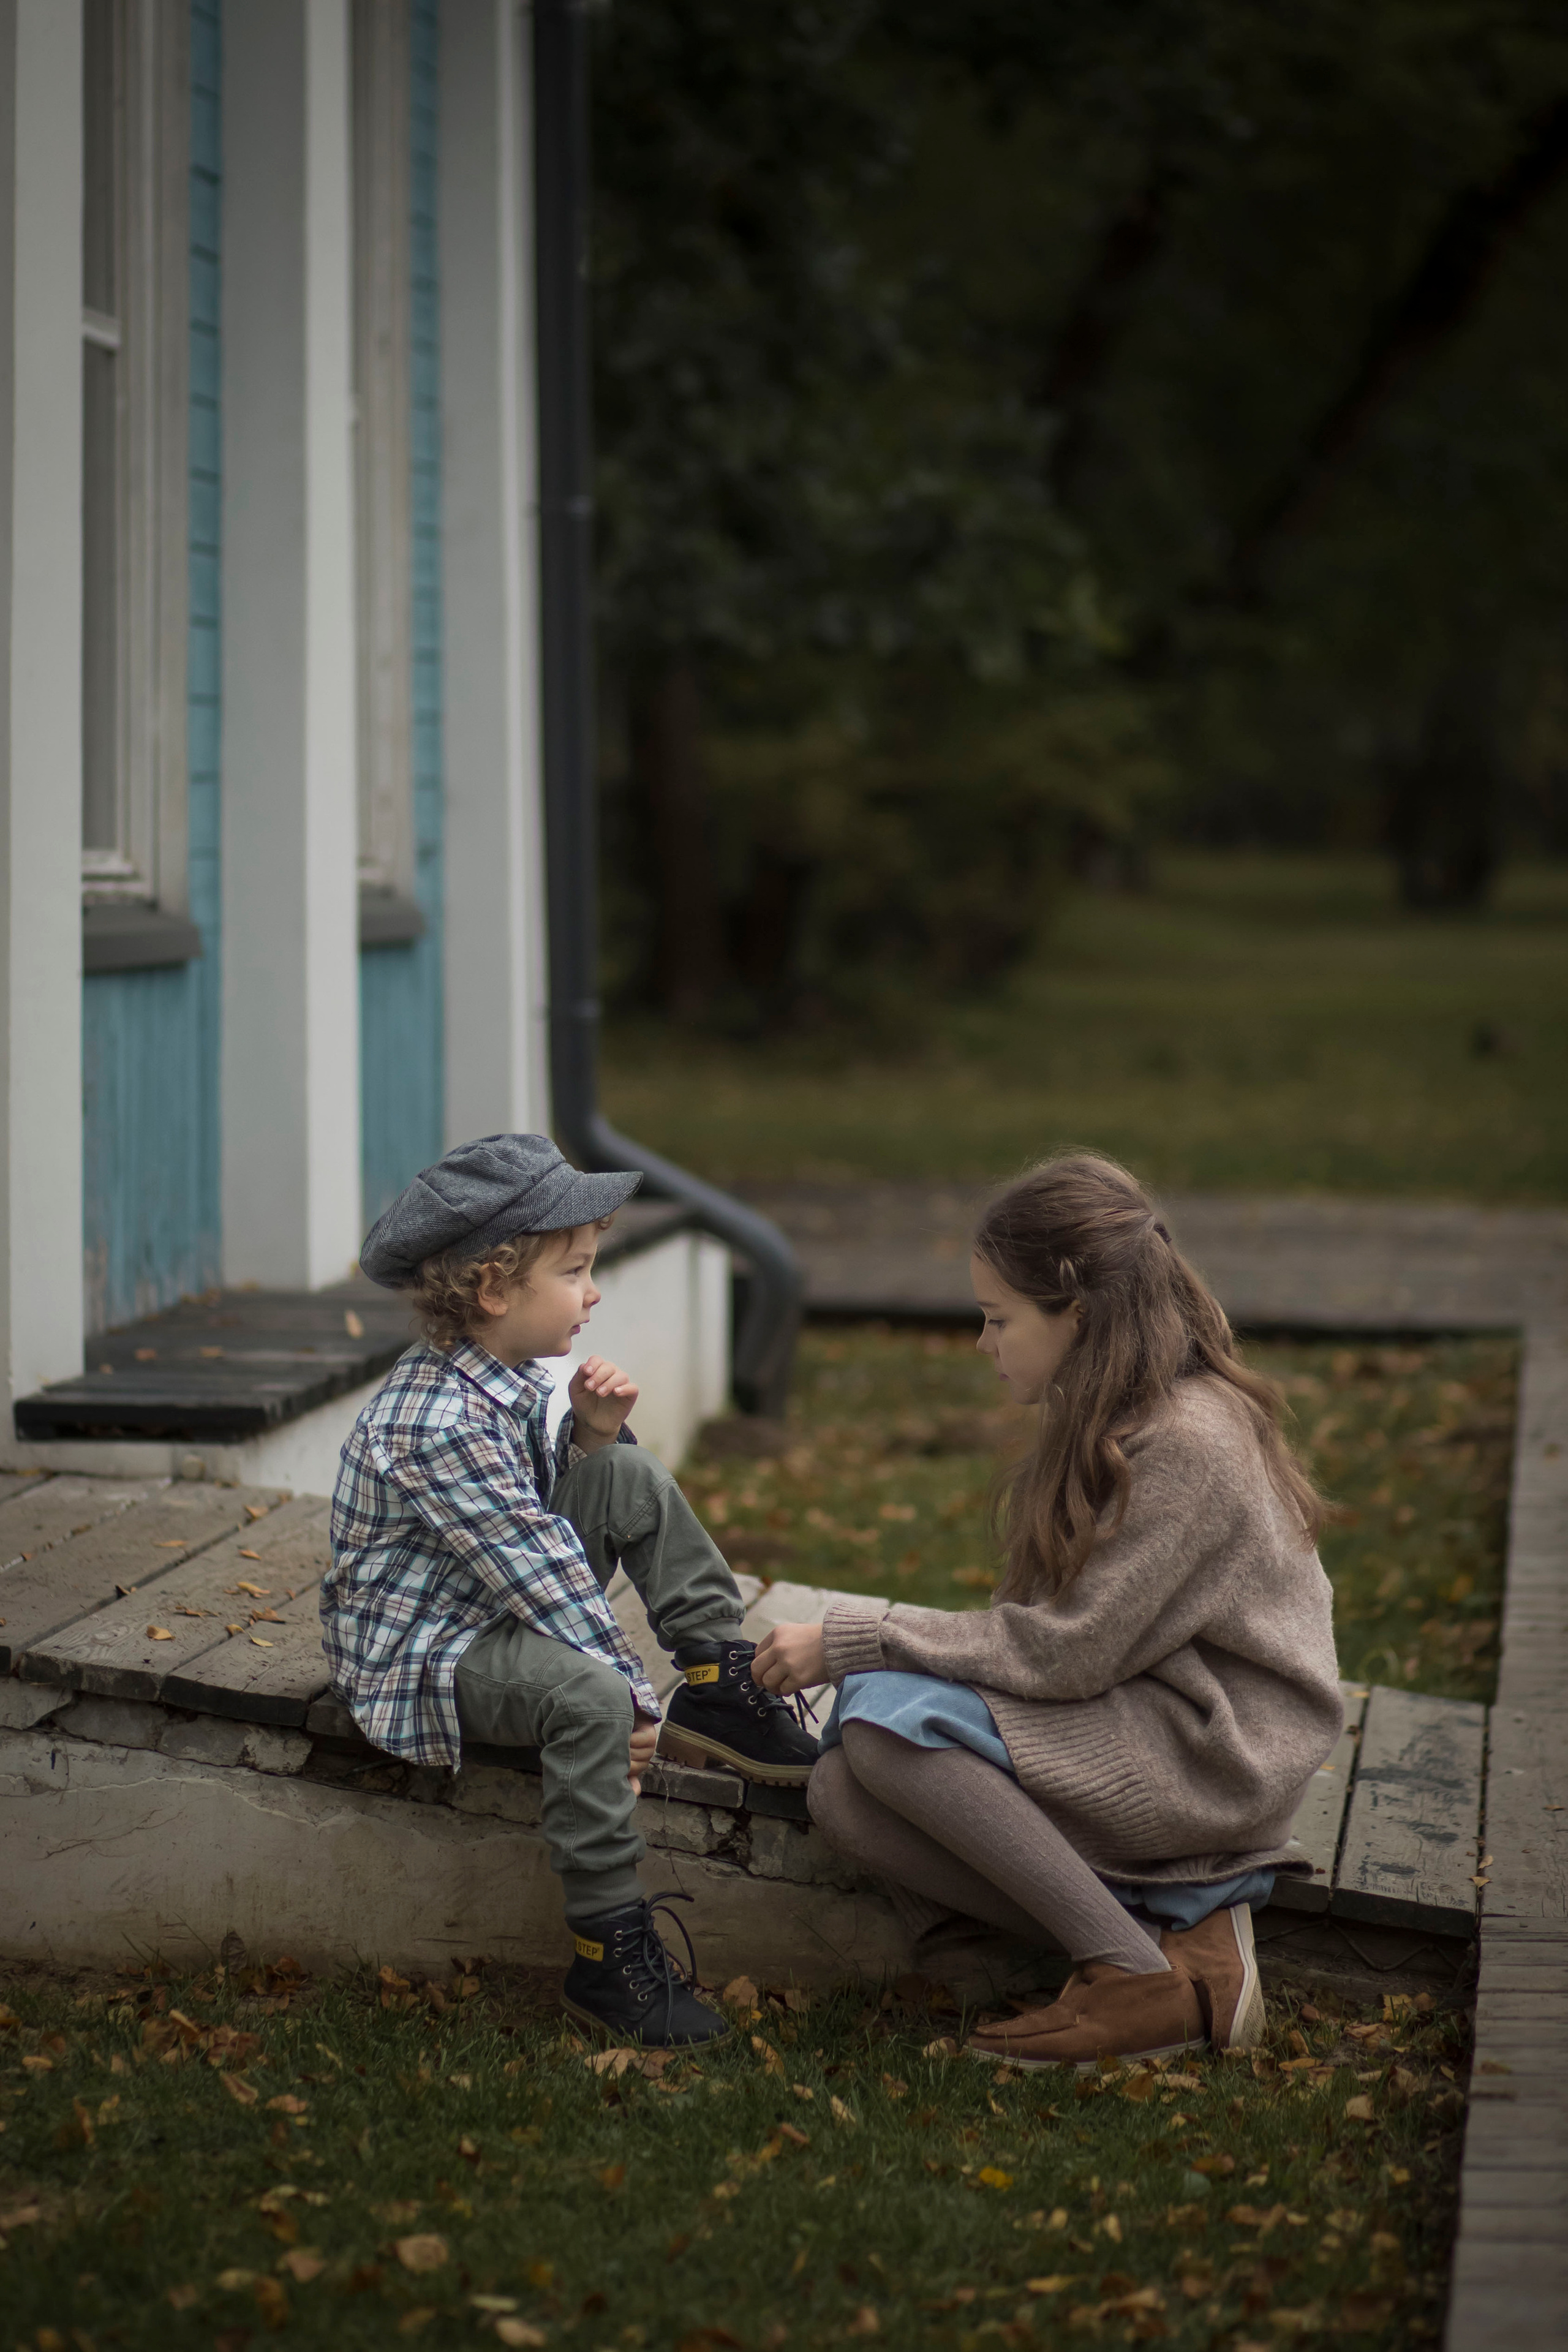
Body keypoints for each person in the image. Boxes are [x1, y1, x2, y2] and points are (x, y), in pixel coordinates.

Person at [753, 1152, 1343, 2068]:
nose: (983, 1343)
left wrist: (856, 1639)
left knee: (883, 1728)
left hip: (1215, 1749)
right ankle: (1160, 1938)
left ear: (1081, 1313)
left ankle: (1135, 1978)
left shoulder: (1189, 1440)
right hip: (1147, 1708)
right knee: (841, 1792)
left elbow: (1065, 1652)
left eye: (999, 1319)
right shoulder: (1119, 1410)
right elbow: (1059, 1632)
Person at [322, 1133, 817, 2049]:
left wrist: (587, 1443)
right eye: (577, 1272)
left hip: (476, 1600)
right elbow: (542, 1577)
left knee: (624, 1474)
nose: (594, 1293)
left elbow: (538, 1519)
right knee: (587, 1692)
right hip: (427, 1655)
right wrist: (632, 1705)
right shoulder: (437, 1423)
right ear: (495, 1290)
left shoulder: (501, 1380)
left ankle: (716, 1686)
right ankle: (607, 1957)